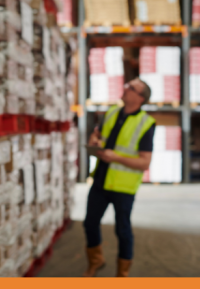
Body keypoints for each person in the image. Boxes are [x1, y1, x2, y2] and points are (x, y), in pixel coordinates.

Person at [83, 78, 156, 277]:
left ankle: (122, 275)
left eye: (131, 88)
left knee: (122, 230)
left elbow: (144, 162)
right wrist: (94, 141)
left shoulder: (146, 123)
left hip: (123, 187)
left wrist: (117, 157)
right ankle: (96, 261)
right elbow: (98, 136)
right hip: (100, 179)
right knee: (90, 223)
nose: (125, 88)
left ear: (140, 98)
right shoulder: (111, 113)